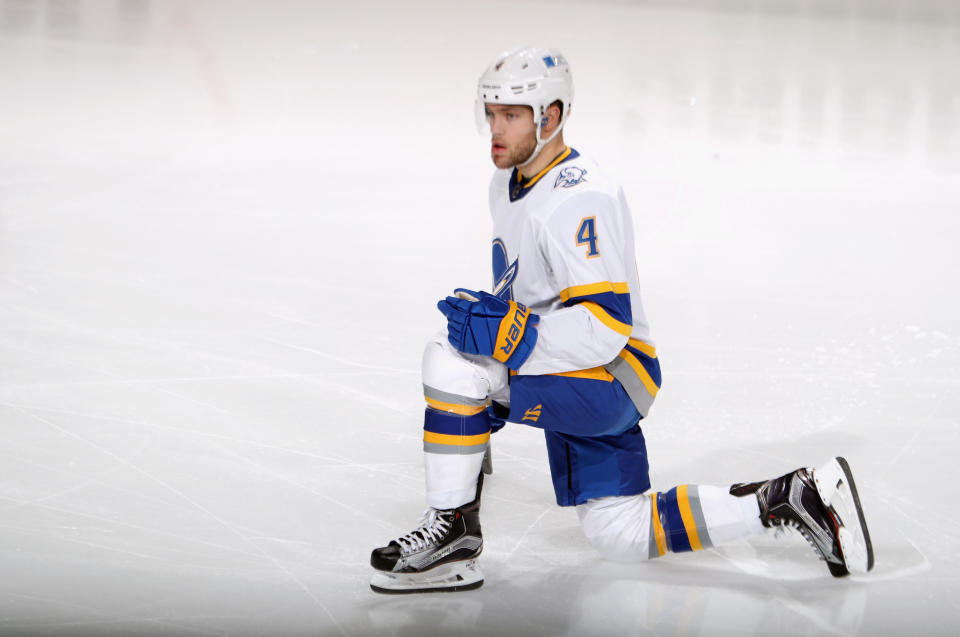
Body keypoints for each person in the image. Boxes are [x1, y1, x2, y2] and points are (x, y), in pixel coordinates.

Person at [369, 46, 873, 594]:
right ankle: (795, 497)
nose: (496, 127)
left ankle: (453, 541)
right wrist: (494, 372)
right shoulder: (508, 183)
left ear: (551, 116)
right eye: (491, 113)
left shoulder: (581, 197)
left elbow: (606, 326)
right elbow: (533, 294)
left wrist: (503, 351)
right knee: (620, 533)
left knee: (449, 362)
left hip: (611, 374)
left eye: (511, 115)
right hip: (573, 370)